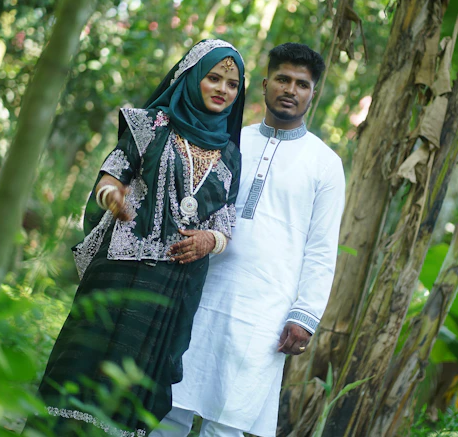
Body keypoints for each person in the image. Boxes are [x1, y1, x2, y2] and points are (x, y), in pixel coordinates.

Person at [25, 39, 246, 437]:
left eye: (232, 85)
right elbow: (110, 177)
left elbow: (226, 220)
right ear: (192, 76)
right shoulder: (150, 124)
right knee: (83, 364)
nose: (222, 90)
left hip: (172, 287)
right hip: (120, 271)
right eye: (213, 78)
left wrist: (209, 241)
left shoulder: (230, 154)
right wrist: (114, 200)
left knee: (135, 384)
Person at [152, 43, 346, 437]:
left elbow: (322, 248)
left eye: (302, 84)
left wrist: (304, 315)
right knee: (171, 404)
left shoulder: (325, 163)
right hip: (201, 292)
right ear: (264, 84)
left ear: (313, 93)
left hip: (266, 312)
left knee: (228, 420)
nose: (290, 89)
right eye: (283, 79)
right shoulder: (229, 139)